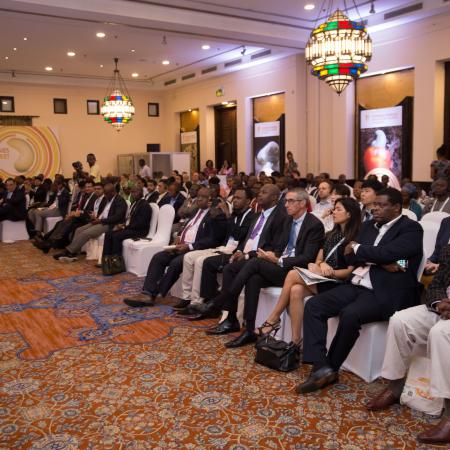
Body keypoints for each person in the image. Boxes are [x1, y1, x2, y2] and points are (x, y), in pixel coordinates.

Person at [297, 188, 423, 394]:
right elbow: (348, 255)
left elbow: (403, 260)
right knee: (314, 305)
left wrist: (364, 251)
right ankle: (321, 366)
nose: (375, 209)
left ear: (396, 207)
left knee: (350, 314)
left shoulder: (411, 228)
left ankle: (332, 367)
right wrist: (381, 260)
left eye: (381, 205)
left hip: (384, 291)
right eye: (375, 205)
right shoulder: (368, 226)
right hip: (356, 283)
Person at [206, 188, 325, 349]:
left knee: (254, 264)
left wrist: (278, 260)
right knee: (253, 278)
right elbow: (278, 247)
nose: (286, 205)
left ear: (303, 203)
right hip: (279, 266)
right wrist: (270, 255)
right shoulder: (288, 220)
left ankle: (223, 300)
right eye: (286, 201)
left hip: (295, 272)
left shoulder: (314, 225)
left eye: (290, 201)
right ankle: (249, 330)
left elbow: (307, 258)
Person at [366, 244, 450, 445]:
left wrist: (386, 260)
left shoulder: (410, 231)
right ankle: (395, 387)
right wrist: (439, 303)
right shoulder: (449, 249)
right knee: (400, 321)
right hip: (443, 307)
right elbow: (436, 284)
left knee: (440, 333)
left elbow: (406, 262)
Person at [258, 197, 361, 346]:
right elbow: (318, 259)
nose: (333, 212)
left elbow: (350, 271)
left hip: (339, 283)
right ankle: (296, 341)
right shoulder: (330, 234)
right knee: (296, 290)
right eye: (334, 209)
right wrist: (321, 265)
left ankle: (273, 318)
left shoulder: (355, 239)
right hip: (323, 278)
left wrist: (329, 272)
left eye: (338, 209)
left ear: (349, 214)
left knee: (293, 274)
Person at [186, 184, 287, 322]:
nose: (259, 194)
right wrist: (240, 251)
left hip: (260, 258)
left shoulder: (280, 218)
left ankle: (219, 308)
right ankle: (220, 310)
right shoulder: (259, 215)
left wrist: (247, 255)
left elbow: (271, 247)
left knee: (230, 269)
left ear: (275, 198)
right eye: (260, 191)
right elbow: (247, 239)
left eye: (264, 192)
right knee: (215, 264)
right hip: (243, 254)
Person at [123, 187, 227, 307]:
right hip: (181, 245)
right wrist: (179, 236)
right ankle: (147, 292)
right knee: (158, 257)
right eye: (198, 196)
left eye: (203, 197)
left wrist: (189, 246)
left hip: (195, 249)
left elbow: (213, 240)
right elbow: (187, 226)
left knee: (175, 263)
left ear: (210, 199)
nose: (199, 199)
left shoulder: (215, 215)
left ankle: (153, 294)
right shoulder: (196, 211)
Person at [175, 188, 255, 315]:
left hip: (234, 251)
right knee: (189, 257)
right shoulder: (235, 213)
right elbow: (220, 233)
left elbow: (239, 235)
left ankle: (201, 302)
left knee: (202, 261)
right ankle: (189, 299)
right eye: (234, 197)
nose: (234, 200)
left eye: (239, 198)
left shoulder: (251, 216)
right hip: (222, 247)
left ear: (248, 201)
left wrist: (227, 215)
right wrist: (216, 215)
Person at [53, 183, 127, 261]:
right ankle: (74, 252)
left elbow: (117, 217)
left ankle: (69, 252)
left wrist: (100, 220)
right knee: (79, 230)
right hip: (100, 221)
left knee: (86, 233)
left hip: (110, 224)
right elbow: (103, 212)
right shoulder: (108, 199)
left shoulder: (120, 201)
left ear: (113, 192)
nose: (105, 195)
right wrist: (96, 218)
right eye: (105, 193)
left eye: (107, 193)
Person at [101, 186, 151, 269]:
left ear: (140, 193)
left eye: (134, 192)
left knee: (116, 236)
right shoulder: (135, 203)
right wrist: (123, 224)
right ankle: (106, 262)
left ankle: (116, 265)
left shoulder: (145, 205)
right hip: (131, 228)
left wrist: (125, 227)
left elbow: (141, 223)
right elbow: (129, 219)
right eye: (131, 192)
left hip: (140, 230)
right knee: (108, 234)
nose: (132, 194)